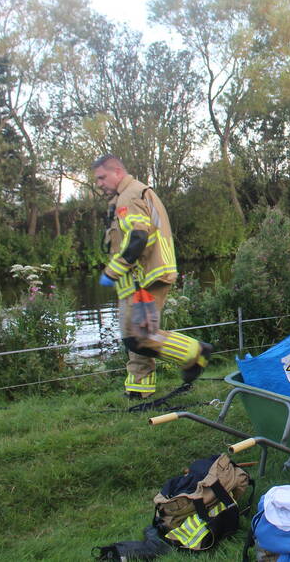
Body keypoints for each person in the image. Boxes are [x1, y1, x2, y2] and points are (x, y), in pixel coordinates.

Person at [93, 155, 212, 398]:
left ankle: (194, 352)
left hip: (144, 277)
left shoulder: (129, 196)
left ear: (117, 171)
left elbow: (138, 238)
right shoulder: (124, 197)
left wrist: (112, 272)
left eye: (101, 177)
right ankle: (139, 389)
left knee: (139, 336)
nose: (98, 183)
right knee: (133, 336)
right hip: (135, 279)